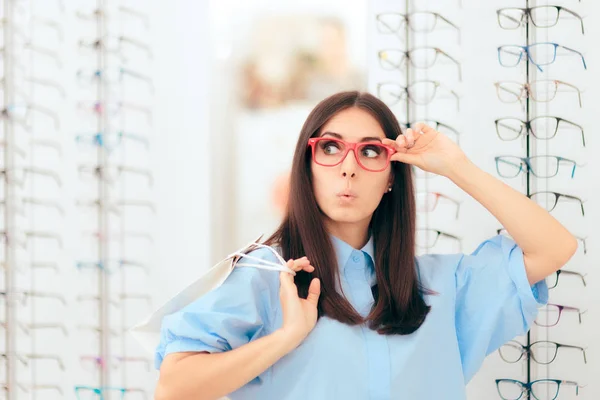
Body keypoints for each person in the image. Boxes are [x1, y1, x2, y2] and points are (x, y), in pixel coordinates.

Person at [153, 92, 577, 400]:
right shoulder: (269, 277)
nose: (349, 169)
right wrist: (287, 337)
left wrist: (455, 167)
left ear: (391, 175)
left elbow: (553, 247)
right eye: (331, 148)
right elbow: (174, 387)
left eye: (371, 151)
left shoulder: (442, 286)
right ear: (308, 166)